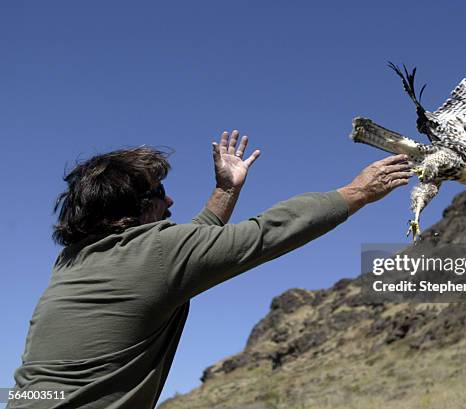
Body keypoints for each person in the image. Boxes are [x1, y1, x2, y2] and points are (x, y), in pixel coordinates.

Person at [8, 130, 412, 408]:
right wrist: (358, 192)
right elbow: (268, 233)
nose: (169, 204)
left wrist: (226, 190)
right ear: (131, 210)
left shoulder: (74, 259)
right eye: (159, 193)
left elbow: (187, 244)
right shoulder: (160, 252)